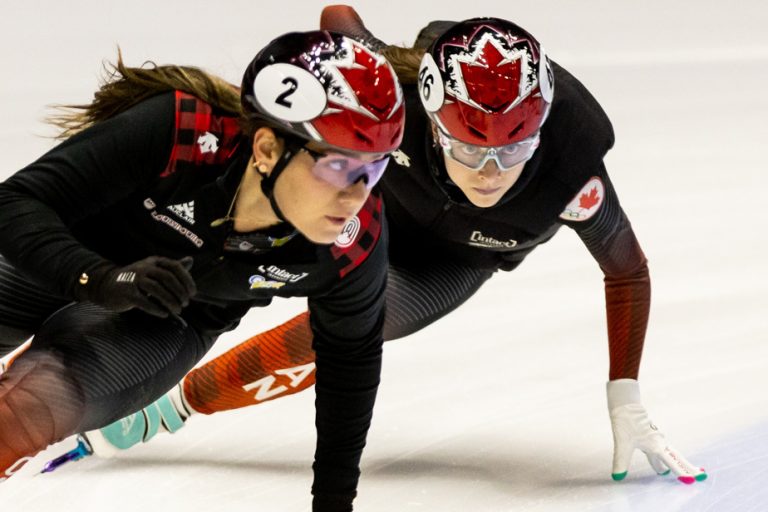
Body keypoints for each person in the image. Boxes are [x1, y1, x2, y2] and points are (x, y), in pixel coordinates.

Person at [43, 7, 706, 487]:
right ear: (429, 111)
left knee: (355, 326)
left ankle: (168, 408)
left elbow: (626, 271)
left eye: (515, 149)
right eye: (470, 146)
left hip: (457, 257)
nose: (492, 171)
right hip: (379, 203)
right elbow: (341, 23)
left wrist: (627, 396)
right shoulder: (394, 89)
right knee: (236, 239)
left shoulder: (572, 171)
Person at [0, 27, 406, 512]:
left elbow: (350, 361)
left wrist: (334, 500)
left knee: (24, 412)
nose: (356, 194)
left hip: (171, 319)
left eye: (374, 169)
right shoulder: (183, 132)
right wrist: (99, 279)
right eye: (338, 166)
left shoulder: (353, 242)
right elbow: (14, 201)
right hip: (70, 254)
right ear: (268, 150)